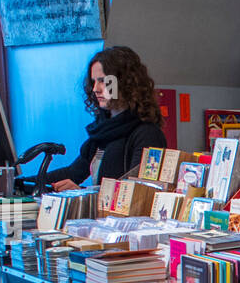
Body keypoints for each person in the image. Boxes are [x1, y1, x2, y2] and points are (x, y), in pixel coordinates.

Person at [44, 46, 166, 191]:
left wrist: (82, 193)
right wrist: (20, 182)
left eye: (103, 81)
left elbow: (137, 192)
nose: (96, 88)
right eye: (94, 81)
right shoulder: (102, 132)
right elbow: (72, 173)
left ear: (124, 83)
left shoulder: (147, 134)